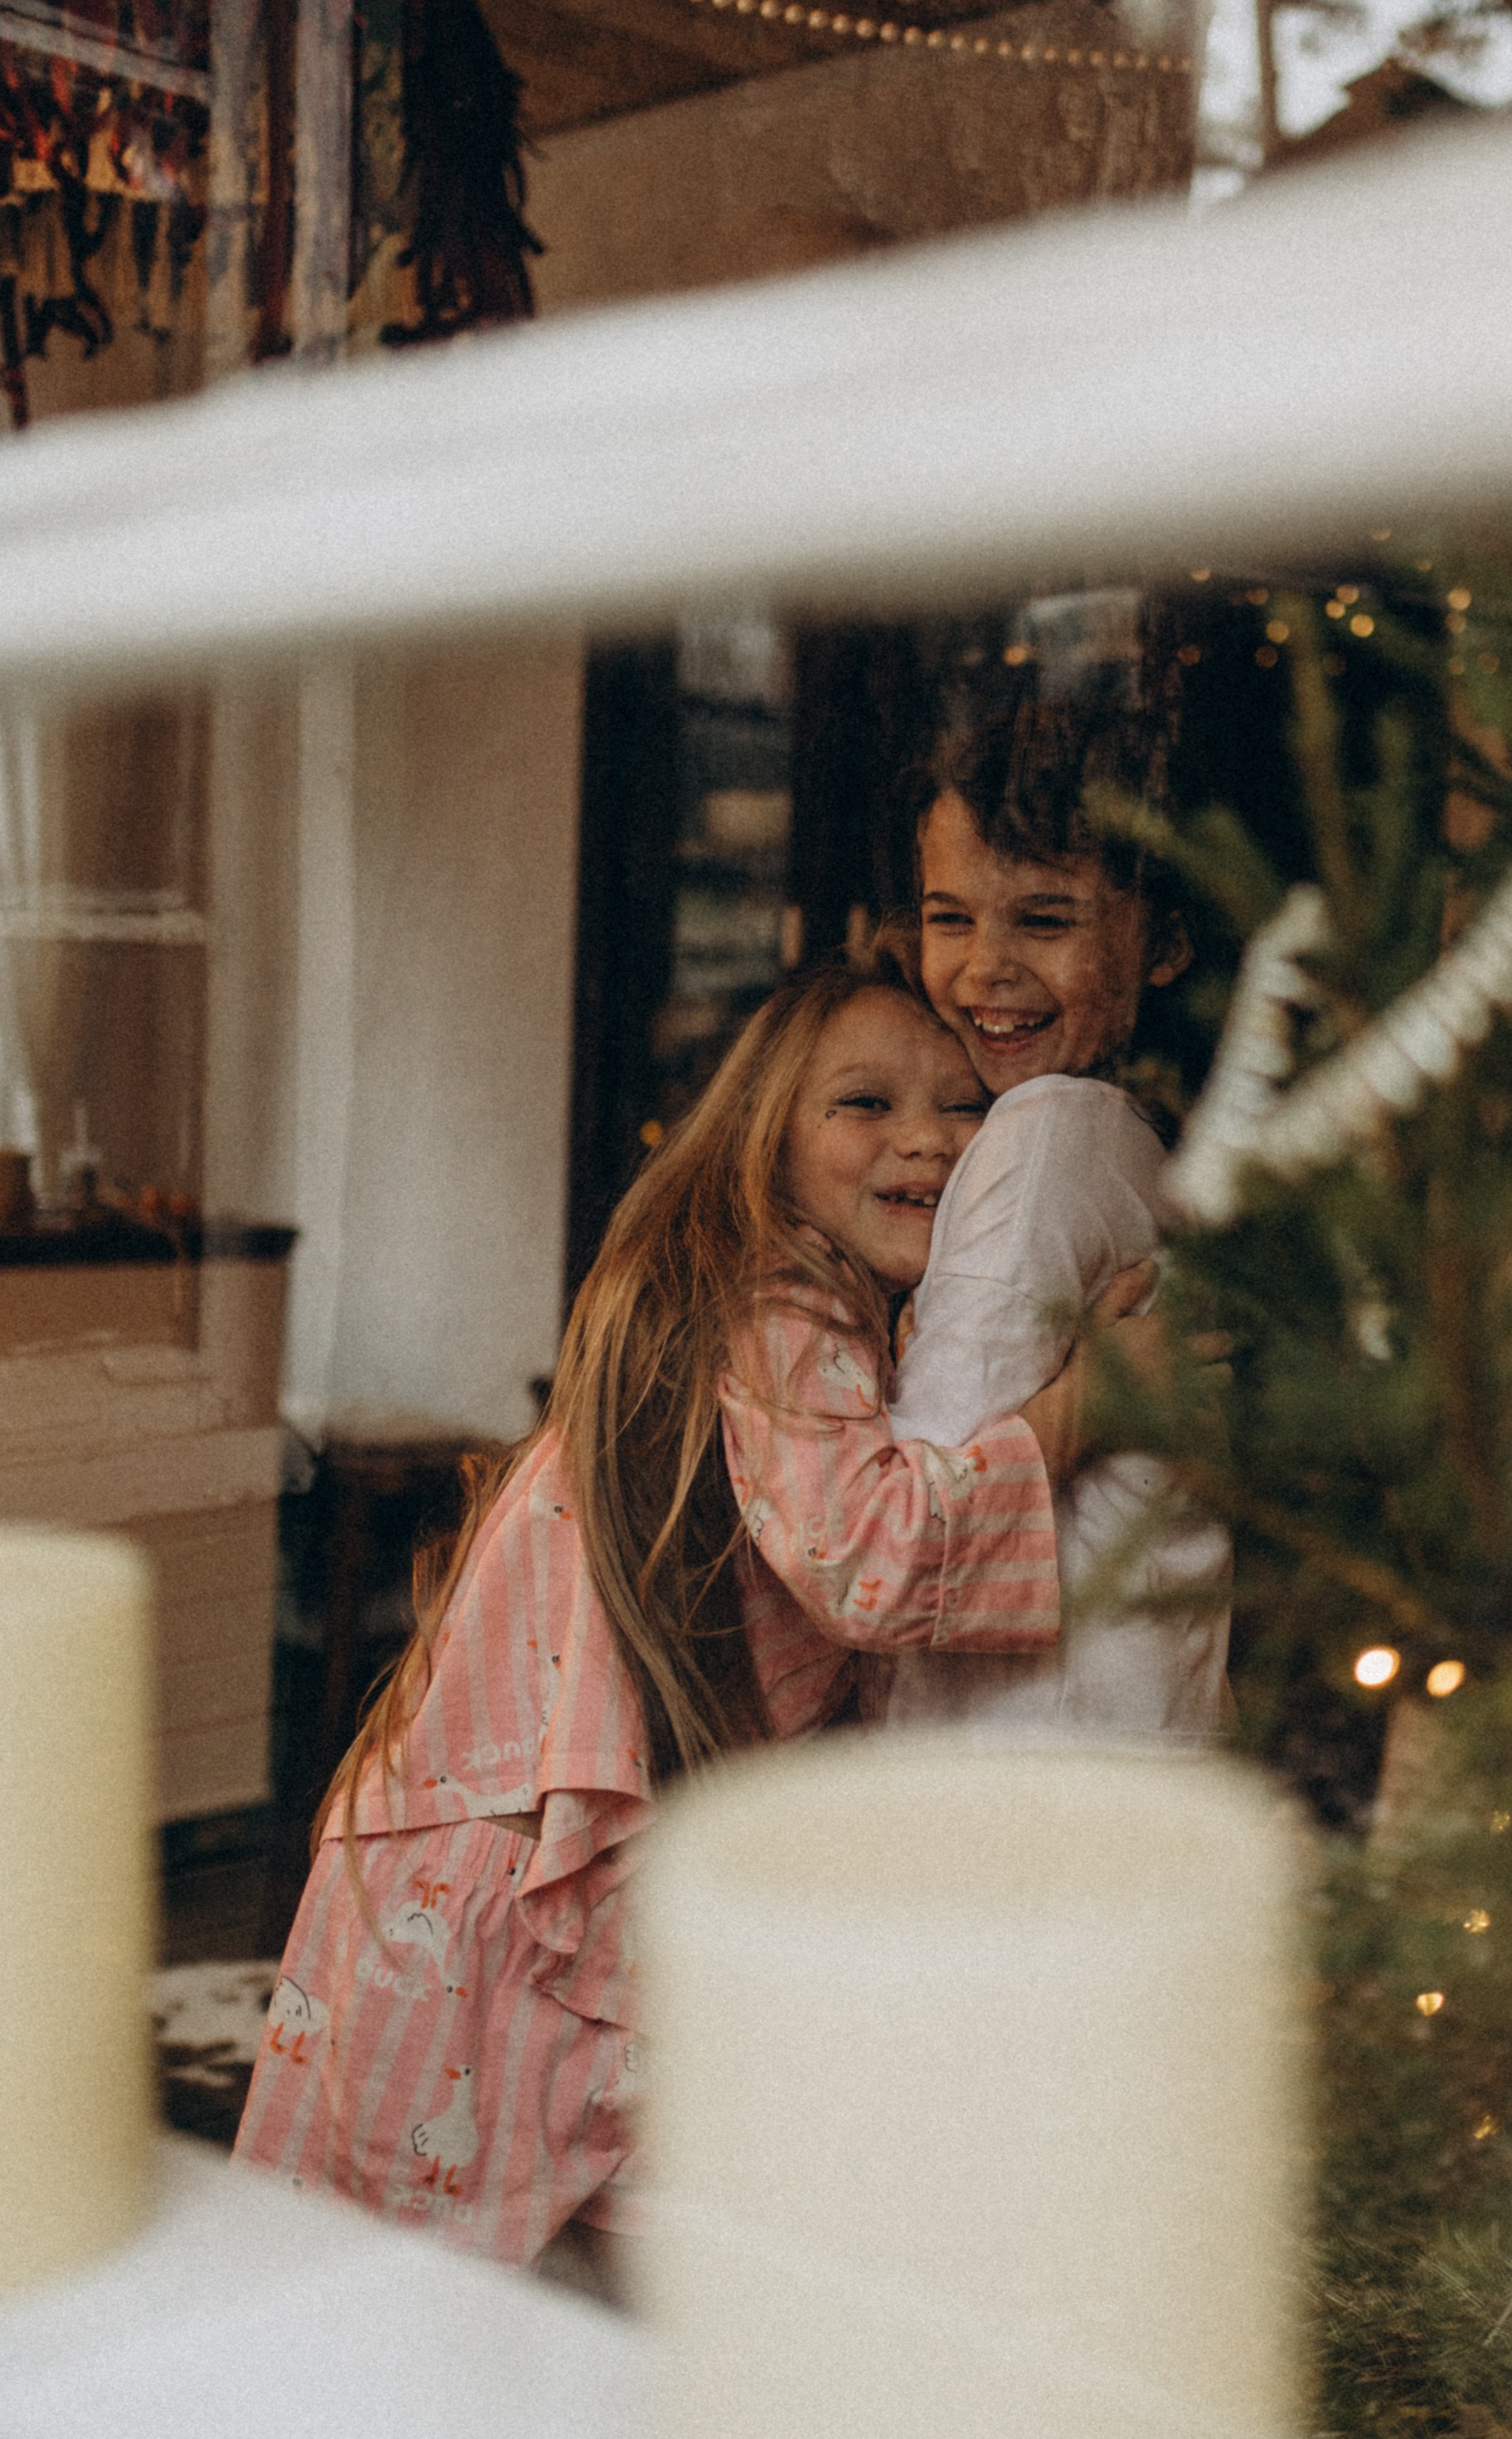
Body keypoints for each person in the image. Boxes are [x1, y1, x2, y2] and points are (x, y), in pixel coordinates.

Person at [234, 958, 1139, 2270]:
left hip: (504, 1857)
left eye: (962, 1109)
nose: (929, 1141)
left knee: (433, 2266)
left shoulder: (755, 1306)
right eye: (866, 1104)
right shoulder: (782, 1308)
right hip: (510, 1876)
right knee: (417, 2282)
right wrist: (1083, 1403)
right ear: (766, 1142)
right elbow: (867, 1555)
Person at [884, 711, 1233, 1740]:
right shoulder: (1141, 1147)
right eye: (950, 919)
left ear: (1165, 942)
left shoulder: (1046, 1133)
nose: (985, 967)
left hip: (1019, 1769)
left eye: (1043, 920)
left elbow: (915, 1526)